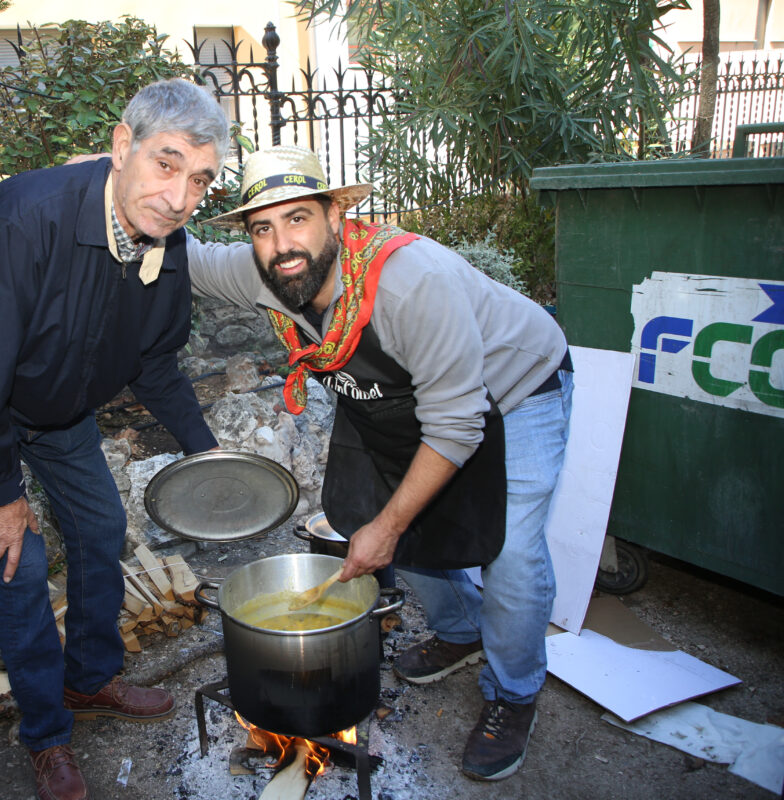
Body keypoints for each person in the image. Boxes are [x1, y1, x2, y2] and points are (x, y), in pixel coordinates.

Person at [187, 145, 572, 781]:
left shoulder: (411, 284)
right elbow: (186, 257)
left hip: (517, 388)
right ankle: (460, 630)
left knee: (509, 553)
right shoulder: (266, 272)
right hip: (413, 403)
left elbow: (456, 425)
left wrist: (387, 527)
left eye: (298, 218)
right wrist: (112, 187)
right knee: (399, 524)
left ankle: (515, 692)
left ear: (336, 216)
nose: (282, 244)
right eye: (262, 227)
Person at [0, 78, 228, 800]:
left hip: (56, 397)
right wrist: (0, 495)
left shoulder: (165, 242)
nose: (179, 197)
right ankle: (47, 735)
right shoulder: (26, 217)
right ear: (123, 146)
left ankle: (89, 679)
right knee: (16, 560)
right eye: (166, 164)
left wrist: (207, 453)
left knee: (101, 525)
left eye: (200, 180)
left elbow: (154, 363)